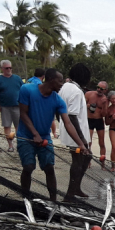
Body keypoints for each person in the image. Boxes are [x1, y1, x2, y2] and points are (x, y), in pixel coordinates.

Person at [18, 68, 84, 201]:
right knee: (28, 167)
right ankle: (25, 198)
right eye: (60, 81)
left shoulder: (58, 100)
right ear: (50, 80)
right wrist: (35, 134)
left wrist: (81, 144)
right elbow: (23, 113)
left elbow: (68, 123)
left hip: (45, 138)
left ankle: (53, 201)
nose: (61, 84)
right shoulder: (27, 89)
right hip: (26, 136)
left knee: (49, 168)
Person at [57, 64, 93, 201]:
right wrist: (82, 140)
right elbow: (72, 116)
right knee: (78, 161)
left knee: (87, 157)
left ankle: (76, 188)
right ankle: (70, 195)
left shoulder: (65, 87)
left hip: (69, 129)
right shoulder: (76, 92)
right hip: (75, 133)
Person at [0, 59, 24, 152]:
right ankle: (10, 145)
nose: (9, 69)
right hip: (5, 106)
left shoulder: (17, 78)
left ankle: (20, 145)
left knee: (19, 126)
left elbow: (23, 90)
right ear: (2, 68)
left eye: (10, 68)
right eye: (7, 68)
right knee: (7, 126)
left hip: (18, 106)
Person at [85, 81, 109, 160]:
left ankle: (103, 162)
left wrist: (104, 105)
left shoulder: (105, 99)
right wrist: (89, 106)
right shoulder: (89, 94)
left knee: (101, 143)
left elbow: (104, 114)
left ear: (105, 90)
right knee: (89, 142)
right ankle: (87, 161)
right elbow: (81, 105)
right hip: (89, 120)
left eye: (101, 89)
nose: (99, 89)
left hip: (99, 120)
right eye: (98, 87)